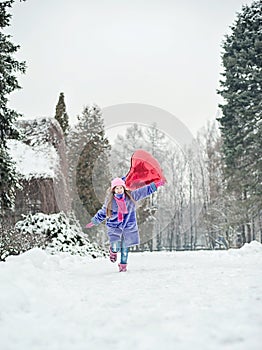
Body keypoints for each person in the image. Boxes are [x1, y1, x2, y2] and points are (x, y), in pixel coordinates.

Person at [86, 177, 165, 272]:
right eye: (117, 188)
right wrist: (94, 221)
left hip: (128, 226)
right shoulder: (110, 201)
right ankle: (113, 251)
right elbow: (103, 212)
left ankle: (123, 265)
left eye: (121, 188)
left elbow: (144, 191)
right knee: (116, 246)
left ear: (124, 188)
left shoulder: (131, 197)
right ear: (113, 190)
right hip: (114, 226)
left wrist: (156, 184)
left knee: (125, 247)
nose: (119, 190)